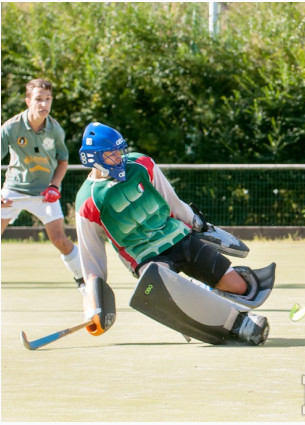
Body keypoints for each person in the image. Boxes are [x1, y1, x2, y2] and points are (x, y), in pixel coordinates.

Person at [75, 122, 273, 344]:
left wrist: (197, 224)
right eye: (112, 154)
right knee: (159, 283)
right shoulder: (87, 201)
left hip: (179, 237)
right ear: (92, 158)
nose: (120, 158)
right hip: (146, 257)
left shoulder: (141, 164)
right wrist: (93, 305)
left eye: (121, 151)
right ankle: (231, 321)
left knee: (242, 288)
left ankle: (198, 299)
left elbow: (173, 202)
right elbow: (91, 262)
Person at [1, 78, 83, 285]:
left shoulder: (55, 129)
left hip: (44, 193)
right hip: (13, 190)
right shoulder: (10, 128)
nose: (44, 104)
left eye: (48, 99)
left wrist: (54, 185)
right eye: (38, 99)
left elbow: (63, 160)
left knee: (60, 241)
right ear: (28, 101)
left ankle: (85, 280)